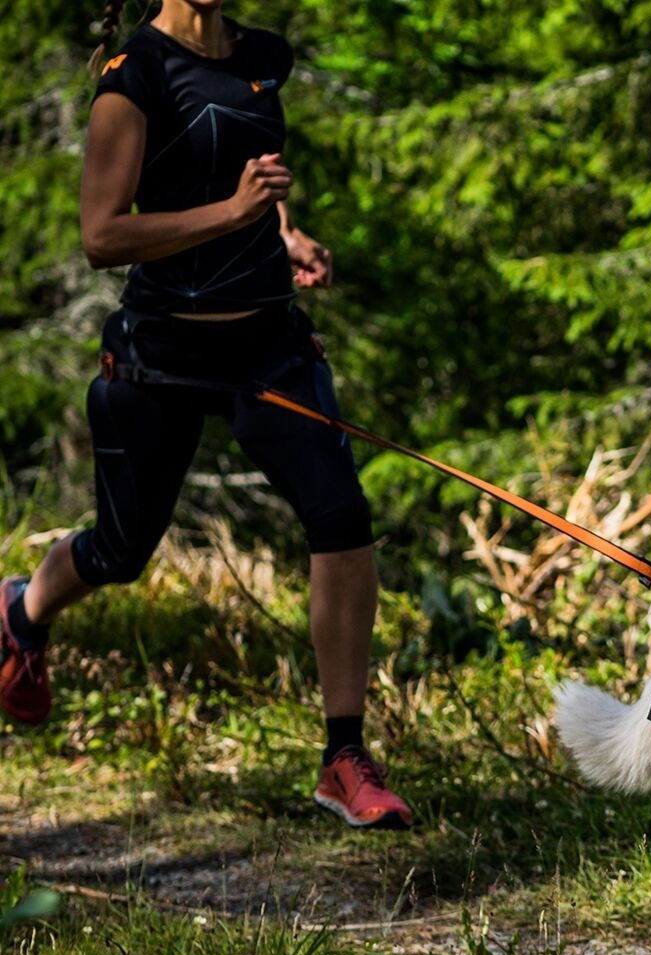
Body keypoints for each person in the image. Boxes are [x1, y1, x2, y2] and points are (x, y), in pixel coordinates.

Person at [0, 0, 413, 830]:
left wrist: (281, 233)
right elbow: (102, 234)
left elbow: (249, 172)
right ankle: (20, 612)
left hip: (268, 348)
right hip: (161, 357)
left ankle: (343, 755)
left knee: (342, 520)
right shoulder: (134, 77)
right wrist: (230, 214)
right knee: (121, 551)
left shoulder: (262, 56)